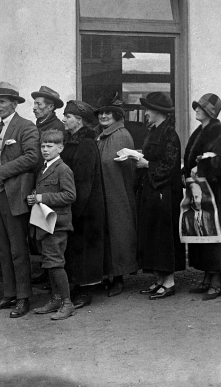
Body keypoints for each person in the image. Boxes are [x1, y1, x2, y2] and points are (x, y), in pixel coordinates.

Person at [0, 82, 40, 319]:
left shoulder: (25, 127)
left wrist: (3, 172)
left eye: (3, 102)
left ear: (14, 104)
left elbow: (33, 157)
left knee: (18, 249)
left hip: (14, 195)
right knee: (3, 248)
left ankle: (23, 297)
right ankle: (9, 294)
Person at [183, 93, 221, 300]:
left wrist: (203, 163)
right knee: (202, 233)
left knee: (214, 236)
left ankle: (216, 282)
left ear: (210, 112)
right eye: (196, 106)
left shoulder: (219, 131)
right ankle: (206, 279)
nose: (196, 109)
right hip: (200, 191)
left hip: (215, 194)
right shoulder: (200, 131)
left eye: (201, 108)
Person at [135, 92, 186, 300]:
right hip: (153, 190)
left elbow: (171, 165)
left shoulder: (169, 134)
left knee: (164, 236)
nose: (146, 113)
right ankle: (159, 280)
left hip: (165, 193)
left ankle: (169, 282)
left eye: (149, 109)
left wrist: (147, 164)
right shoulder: (155, 130)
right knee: (153, 235)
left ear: (158, 112)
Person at [60, 100, 106, 309]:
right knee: (76, 249)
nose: (64, 120)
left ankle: (85, 290)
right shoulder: (71, 141)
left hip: (85, 207)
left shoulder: (86, 143)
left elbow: (84, 180)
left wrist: (75, 210)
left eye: (68, 116)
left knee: (85, 249)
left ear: (79, 120)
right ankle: (77, 285)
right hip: (74, 203)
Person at [28, 130, 77, 320]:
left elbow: (70, 195)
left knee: (55, 263)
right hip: (45, 222)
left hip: (58, 223)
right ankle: (56, 299)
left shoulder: (63, 169)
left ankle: (67, 303)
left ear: (61, 148)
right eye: (43, 146)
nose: (45, 150)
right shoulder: (44, 168)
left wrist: (42, 197)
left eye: (50, 146)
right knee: (49, 262)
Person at [94, 94, 139, 297]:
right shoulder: (103, 135)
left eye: (108, 113)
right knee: (109, 234)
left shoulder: (120, 135)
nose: (103, 116)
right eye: (101, 113)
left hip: (117, 192)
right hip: (106, 192)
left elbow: (122, 167)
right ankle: (110, 275)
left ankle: (119, 277)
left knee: (119, 233)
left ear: (116, 115)